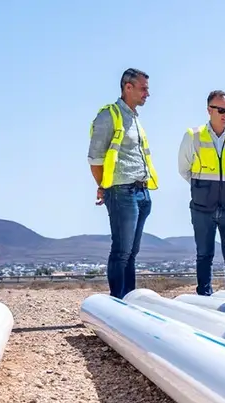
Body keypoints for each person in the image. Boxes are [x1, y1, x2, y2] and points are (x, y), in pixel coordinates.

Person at [88, 68, 159, 299]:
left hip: (141, 192)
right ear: (128, 87)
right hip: (121, 191)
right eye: (143, 89)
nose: (147, 94)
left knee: (132, 252)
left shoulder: (135, 119)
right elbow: (95, 158)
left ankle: (129, 301)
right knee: (121, 251)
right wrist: (103, 186)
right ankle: (117, 301)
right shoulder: (109, 115)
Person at [178, 90, 225, 295]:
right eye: (221, 110)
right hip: (202, 207)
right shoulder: (193, 136)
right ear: (209, 110)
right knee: (204, 255)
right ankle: (204, 297)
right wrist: (203, 188)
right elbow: (184, 169)